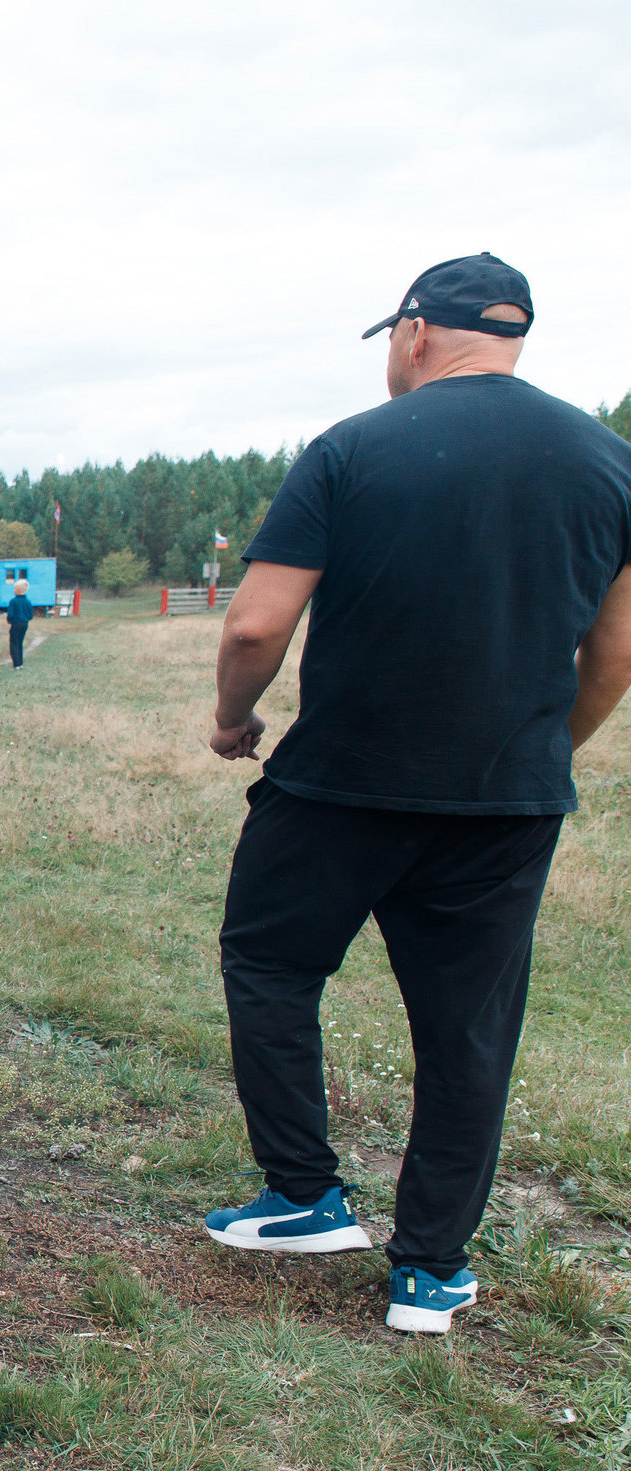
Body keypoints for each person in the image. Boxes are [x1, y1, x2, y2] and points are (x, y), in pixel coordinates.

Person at [203, 253, 631, 1334]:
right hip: (506, 800)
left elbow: (256, 623)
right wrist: (544, 748)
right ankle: (429, 1272)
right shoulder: (611, 465)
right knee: (467, 1030)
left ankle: (303, 1195)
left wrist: (230, 719)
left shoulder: (350, 449)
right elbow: (613, 656)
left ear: (412, 333)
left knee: (269, 958)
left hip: (341, 782)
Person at [5, 572, 34, 668]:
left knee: (13, 643)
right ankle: (20, 663)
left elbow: (10, 614)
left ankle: (16, 664)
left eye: (14, 588)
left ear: (17, 590)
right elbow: (31, 615)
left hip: (15, 624)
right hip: (25, 624)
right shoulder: (28, 601)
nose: (13, 590)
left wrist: (10, 620)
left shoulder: (13, 601)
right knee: (20, 643)